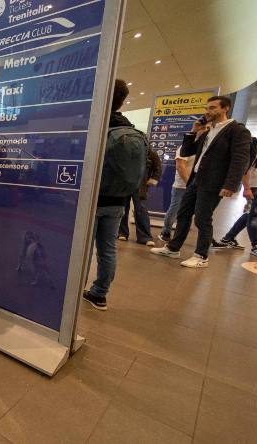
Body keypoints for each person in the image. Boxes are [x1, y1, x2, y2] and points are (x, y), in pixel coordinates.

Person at [151, 96, 251, 268]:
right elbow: (187, 151)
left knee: (203, 218)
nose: (208, 111)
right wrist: (193, 132)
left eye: (212, 108)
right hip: (196, 179)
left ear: (225, 108)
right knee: (183, 214)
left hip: (214, 182)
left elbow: (240, 159)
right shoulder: (207, 131)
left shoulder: (236, 130)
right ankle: (173, 248)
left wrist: (230, 185)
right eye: (207, 108)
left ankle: (201, 256)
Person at [82, 79, 146, 311]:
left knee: (84, 248)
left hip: (93, 200)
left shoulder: (99, 127)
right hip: (119, 201)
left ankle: (73, 292)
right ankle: (100, 294)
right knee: (108, 248)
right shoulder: (130, 130)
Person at [212, 119, 257, 258]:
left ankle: (228, 238)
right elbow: (246, 166)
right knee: (256, 216)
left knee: (251, 214)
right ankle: (256, 245)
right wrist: (246, 188)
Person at [118, 146, 162, 245]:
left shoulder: (151, 152)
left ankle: (145, 237)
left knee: (141, 209)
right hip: (125, 183)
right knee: (122, 208)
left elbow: (158, 167)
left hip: (141, 185)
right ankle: (122, 233)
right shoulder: (126, 150)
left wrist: (154, 179)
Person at [159, 146, 195, 242]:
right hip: (181, 186)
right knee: (174, 209)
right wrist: (189, 184)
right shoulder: (185, 147)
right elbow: (180, 166)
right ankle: (165, 232)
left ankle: (207, 238)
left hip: (196, 186)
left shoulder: (203, 147)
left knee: (191, 213)